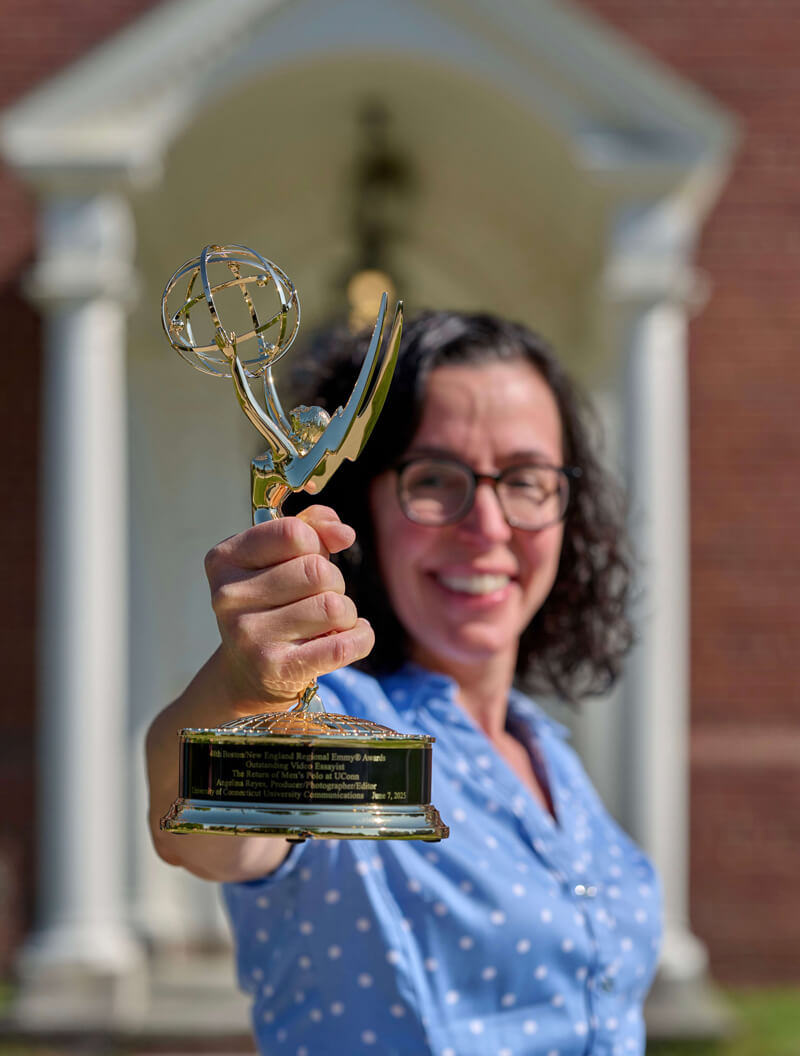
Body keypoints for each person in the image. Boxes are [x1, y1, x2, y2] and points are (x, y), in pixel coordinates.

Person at [146, 311, 662, 1056]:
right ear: (367, 507)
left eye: (525, 479)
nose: (487, 523)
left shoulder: (546, 745)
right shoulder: (336, 714)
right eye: (434, 479)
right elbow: (198, 826)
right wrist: (241, 690)